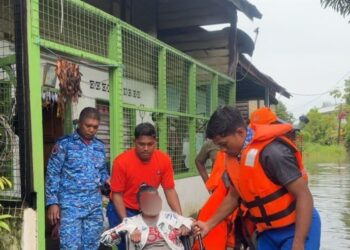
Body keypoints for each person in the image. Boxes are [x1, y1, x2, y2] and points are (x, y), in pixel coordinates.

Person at [193, 106, 321, 250]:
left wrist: (299, 243)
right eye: (218, 146)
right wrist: (208, 225)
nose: (222, 150)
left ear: (240, 132)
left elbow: (304, 195)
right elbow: (233, 197)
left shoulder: (272, 153)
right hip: (267, 232)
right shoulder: (233, 159)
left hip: (297, 227)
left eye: (224, 144)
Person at [107, 122, 183, 250]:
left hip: (146, 211)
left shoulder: (164, 160)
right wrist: (129, 225)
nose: (146, 148)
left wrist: (180, 220)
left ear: (156, 142)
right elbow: (117, 195)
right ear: (134, 142)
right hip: (122, 208)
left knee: (147, 245)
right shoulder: (121, 162)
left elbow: (169, 190)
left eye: (150, 144)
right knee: (126, 246)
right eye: (141, 144)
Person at [45, 107, 110, 250]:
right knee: (70, 246)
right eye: (88, 125)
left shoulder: (99, 146)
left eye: (95, 127)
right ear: (80, 123)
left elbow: (102, 172)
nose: (91, 130)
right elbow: (52, 173)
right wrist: (52, 203)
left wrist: (107, 180)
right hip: (70, 206)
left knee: (92, 246)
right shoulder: (64, 144)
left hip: (94, 206)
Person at [101, 184, 192, 250]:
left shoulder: (170, 217)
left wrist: (185, 226)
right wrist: (131, 230)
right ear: (140, 206)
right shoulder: (131, 222)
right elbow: (105, 237)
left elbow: (191, 221)